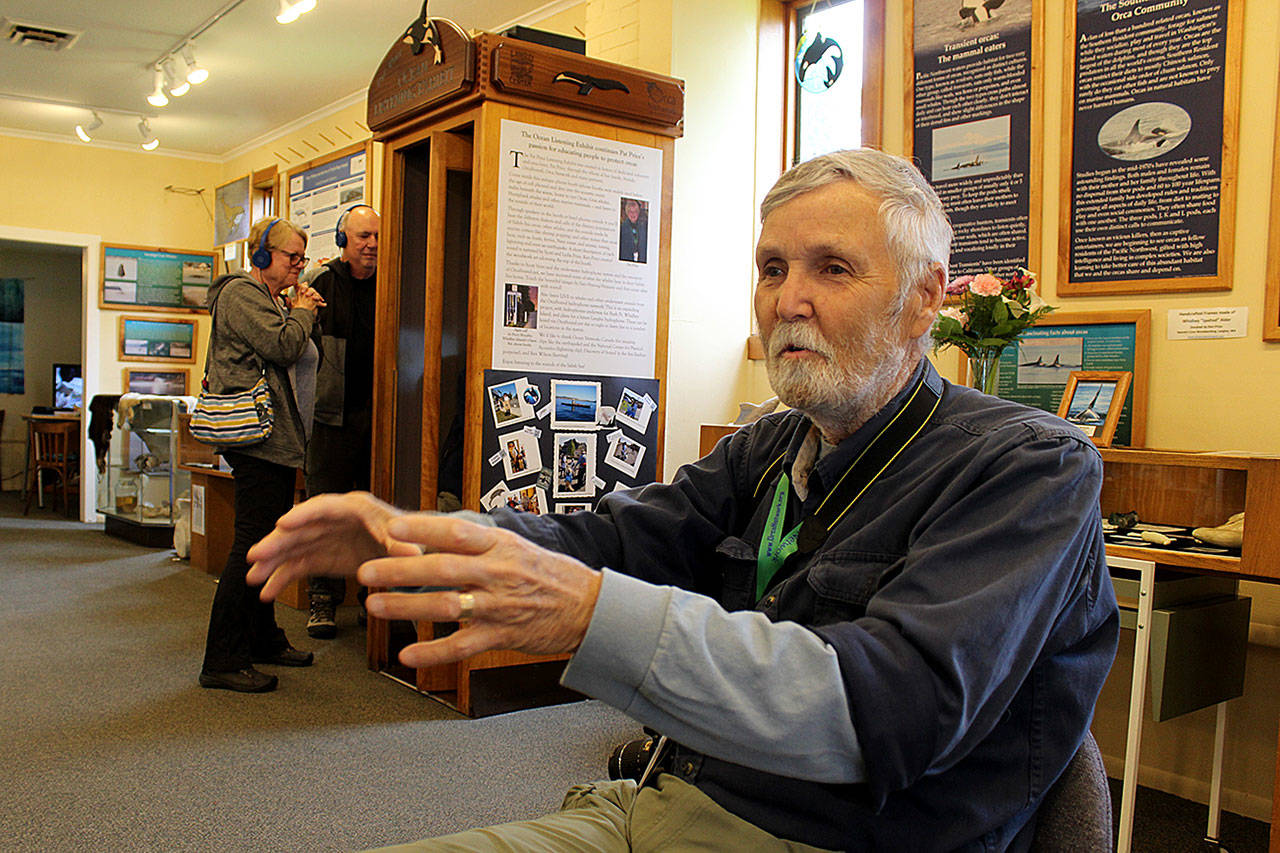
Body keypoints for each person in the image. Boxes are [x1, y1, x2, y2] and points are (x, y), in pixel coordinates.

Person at [245, 149, 1119, 849]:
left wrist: (590, 617)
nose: (789, 300)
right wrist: (423, 535)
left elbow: (888, 709)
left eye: (833, 269)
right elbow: (610, 539)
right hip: (657, 806)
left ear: (925, 298)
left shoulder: (1031, 469)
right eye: (772, 267)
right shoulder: (777, 442)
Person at [199, 217, 324, 693]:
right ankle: (223, 659)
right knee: (251, 547)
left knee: (265, 546)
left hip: (273, 441)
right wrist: (303, 311)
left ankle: (264, 639)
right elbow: (284, 344)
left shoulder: (269, 298)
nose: (299, 266)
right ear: (260, 257)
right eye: (292, 257)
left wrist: (296, 307)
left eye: (301, 259)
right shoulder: (242, 295)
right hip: (259, 442)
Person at [303, 204, 380, 639]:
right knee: (326, 515)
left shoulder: (394, 284)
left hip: (380, 417)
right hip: (329, 418)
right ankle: (322, 600)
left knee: (374, 515)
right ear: (342, 240)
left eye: (376, 237)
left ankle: (373, 599)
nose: (370, 245)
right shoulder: (321, 283)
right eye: (362, 236)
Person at [619, 197, 647, 263]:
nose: (633, 214)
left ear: (638, 212)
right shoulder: (622, 228)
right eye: (630, 211)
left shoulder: (644, 226)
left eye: (635, 211)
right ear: (627, 213)